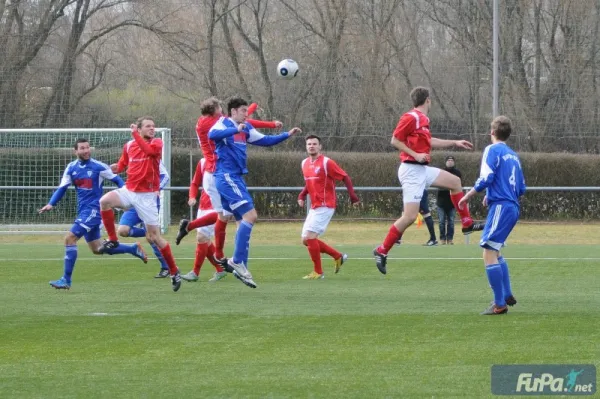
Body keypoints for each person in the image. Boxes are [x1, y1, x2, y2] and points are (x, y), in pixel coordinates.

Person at [373, 87, 484, 275]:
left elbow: (430, 141)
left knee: (455, 182)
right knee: (409, 217)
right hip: (411, 170)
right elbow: (394, 140)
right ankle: (382, 250)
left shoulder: (423, 120)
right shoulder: (411, 117)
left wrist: (455, 143)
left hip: (421, 169)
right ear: (428, 100)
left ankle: (467, 223)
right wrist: (415, 154)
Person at [208, 96, 301, 288]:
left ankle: (243, 269)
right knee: (251, 216)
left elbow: (265, 140)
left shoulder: (246, 127)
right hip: (226, 177)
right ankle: (236, 261)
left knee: (242, 221)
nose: (246, 114)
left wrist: (287, 134)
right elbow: (212, 135)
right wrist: (235, 129)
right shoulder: (223, 123)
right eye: (243, 111)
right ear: (233, 111)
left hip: (236, 178)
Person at [175, 98, 282, 264]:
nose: (222, 110)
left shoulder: (204, 120)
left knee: (227, 214)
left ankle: (196, 232)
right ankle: (220, 255)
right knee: (227, 215)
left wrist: (250, 109)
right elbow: (243, 122)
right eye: (220, 107)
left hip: (215, 170)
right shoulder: (214, 123)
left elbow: (242, 120)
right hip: (217, 171)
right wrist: (270, 124)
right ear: (215, 110)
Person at [39, 138, 148, 289]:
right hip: (83, 210)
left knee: (70, 238)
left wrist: (128, 198)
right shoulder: (71, 168)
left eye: (88, 147)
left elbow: (119, 181)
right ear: (75, 151)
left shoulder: (99, 167)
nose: (86, 151)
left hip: (95, 210)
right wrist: (51, 203)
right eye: (82, 148)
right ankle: (132, 248)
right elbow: (62, 188)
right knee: (97, 249)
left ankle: (66, 280)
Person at [98, 116, 183, 292]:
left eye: (153, 126)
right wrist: (109, 168)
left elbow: (149, 152)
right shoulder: (129, 145)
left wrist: (135, 135)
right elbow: (122, 165)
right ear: (140, 128)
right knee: (104, 201)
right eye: (148, 126)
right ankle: (113, 240)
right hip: (129, 191)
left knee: (154, 238)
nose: (152, 129)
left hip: (147, 197)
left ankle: (174, 271)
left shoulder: (157, 143)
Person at [458, 115, 525, 315]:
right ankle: (506, 293)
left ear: (492, 133)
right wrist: (491, 194)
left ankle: (499, 304)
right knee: (495, 251)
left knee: (488, 251)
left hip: (501, 207)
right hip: (512, 207)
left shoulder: (492, 150)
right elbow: (521, 188)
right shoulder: (513, 155)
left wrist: (468, 196)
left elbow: (486, 177)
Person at [297, 135, 360, 279]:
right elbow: (310, 183)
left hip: (326, 205)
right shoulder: (304, 163)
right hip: (315, 206)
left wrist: (353, 196)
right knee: (305, 240)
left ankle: (318, 272)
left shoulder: (327, 163)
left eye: (314, 144)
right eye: (309, 144)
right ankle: (337, 256)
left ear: (320, 146)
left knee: (310, 237)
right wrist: (301, 195)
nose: (311, 146)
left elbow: (345, 177)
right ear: (306, 147)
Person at [116, 160, 171, 278]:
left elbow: (165, 176)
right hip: (133, 203)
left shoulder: (152, 157)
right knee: (122, 230)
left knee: (152, 239)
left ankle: (166, 267)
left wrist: (157, 188)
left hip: (148, 202)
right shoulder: (131, 154)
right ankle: (150, 233)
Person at [180, 158, 228, 282]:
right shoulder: (202, 162)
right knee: (204, 241)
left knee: (201, 237)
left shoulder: (224, 160)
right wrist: (192, 196)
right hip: (202, 207)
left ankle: (195, 273)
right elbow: (195, 183)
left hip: (217, 207)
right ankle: (220, 269)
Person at [436, 155, 462, 245]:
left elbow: (458, 185)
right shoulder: (441, 172)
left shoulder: (458, 173)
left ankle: (450, 239)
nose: (450, 161)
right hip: (441, 202)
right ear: (445, 162)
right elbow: (439, 184)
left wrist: (447, 185)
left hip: (453, 202)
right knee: (441, 222)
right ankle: (442, 239)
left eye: (452, 160)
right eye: (448, 160)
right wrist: (449, 185)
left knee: (451, 222)